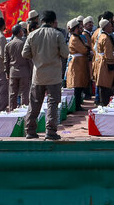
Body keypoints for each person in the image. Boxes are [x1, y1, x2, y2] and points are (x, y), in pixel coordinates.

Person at [22, 10, 69, 140]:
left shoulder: (32, 35)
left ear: (41, 21)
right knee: (52, 104)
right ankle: (50, 131)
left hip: (38, 75)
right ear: (54, 22)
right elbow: (65, 53)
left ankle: (30, 131)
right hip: (54, 76)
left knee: (34, 104)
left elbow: (25, 54)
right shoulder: (57, 35)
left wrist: (36, 57)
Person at [66, 19, 91, 111]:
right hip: (77, 64)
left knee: (80, 85)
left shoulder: (77, 37)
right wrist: (87, 48)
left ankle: (78, 104)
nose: (81, 29)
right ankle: (76, 105)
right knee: (77, 85)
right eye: (79, 27)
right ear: (75, 28)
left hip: (80, 63)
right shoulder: (74, 39)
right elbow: (84, 50)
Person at [92, 18, 114, 106]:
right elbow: (108, 52)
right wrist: (111, 64)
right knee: (105, 84)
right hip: (105, 63)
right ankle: (104, 103)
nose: (111, 27)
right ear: (105, 27)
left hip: (100, 61)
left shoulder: (102, 36)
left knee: (101, 83)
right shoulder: (106, 38)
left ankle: (100, 101)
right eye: (110, 26)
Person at [5, 24, 31, 109]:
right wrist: (32, 71)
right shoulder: (24, 44)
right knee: (24, 94)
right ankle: (24, 113)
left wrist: (7, 73)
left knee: (12, 94)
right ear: (20, 32)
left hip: (13, 72)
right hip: (24, 71)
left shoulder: (8, 45)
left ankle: (12, 112)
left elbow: (6, 61)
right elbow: (29, 59)